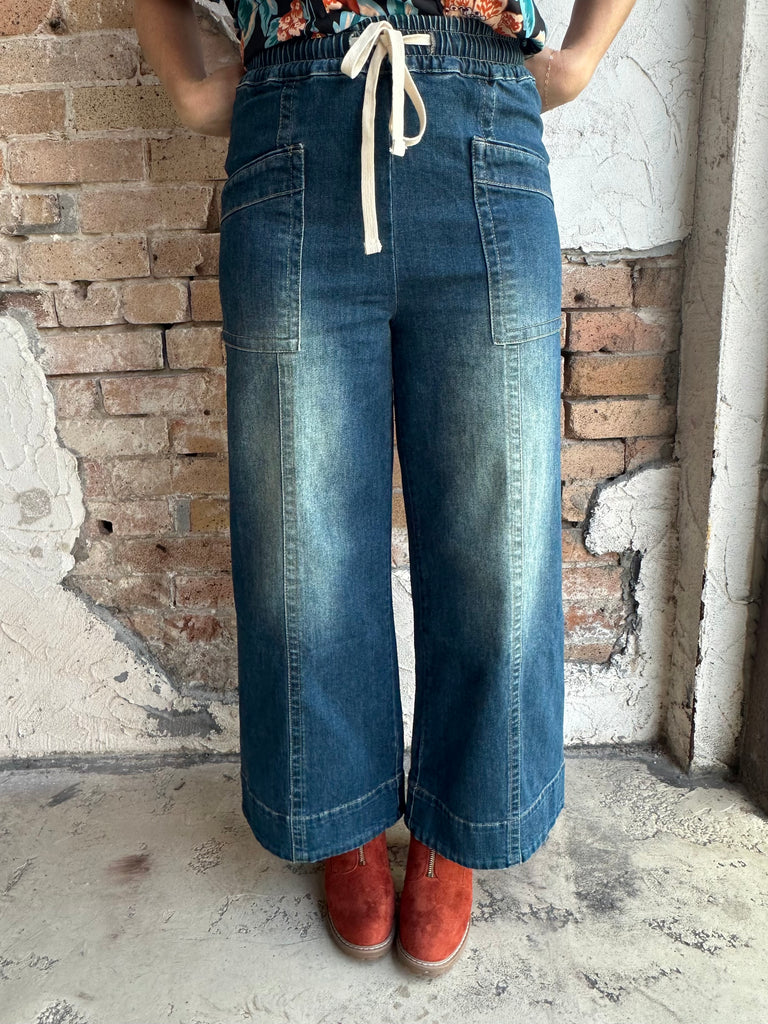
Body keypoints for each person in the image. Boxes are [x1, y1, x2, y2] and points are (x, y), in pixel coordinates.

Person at [134, 0, 636, 977]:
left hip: (483, 127)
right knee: (303, 542)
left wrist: (579, 59)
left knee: (496, 537)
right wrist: (193, 88)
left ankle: (461, 821)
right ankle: (345, 814)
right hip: (293, 136)